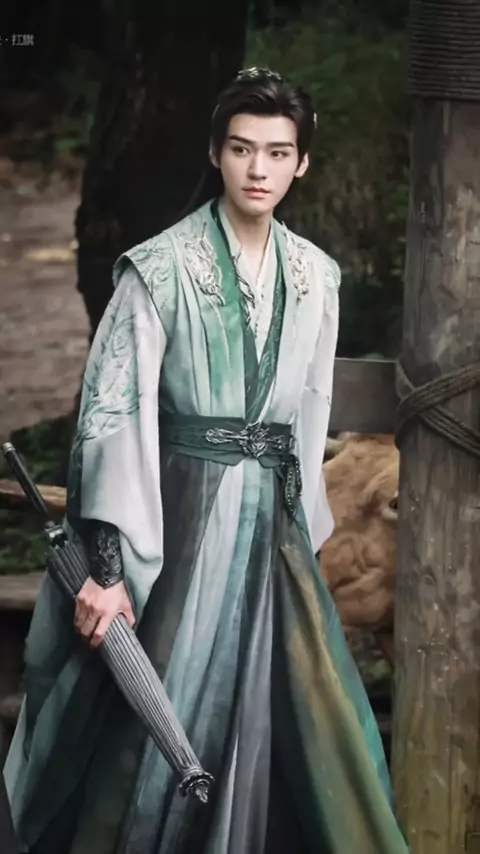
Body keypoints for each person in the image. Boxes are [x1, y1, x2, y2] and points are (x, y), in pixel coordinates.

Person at [5, 68, 409, 854]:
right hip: (176, 517)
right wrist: (110, 567)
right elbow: (113, 418)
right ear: (216, 153)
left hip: (272, 531)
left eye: (278, 153)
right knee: (152, 712)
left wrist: (301, 528)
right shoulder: (157, 271)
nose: (259, 169)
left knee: (293, 711)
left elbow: (309, 412)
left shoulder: (316, 277)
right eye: (242, 149)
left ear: (302, 163)